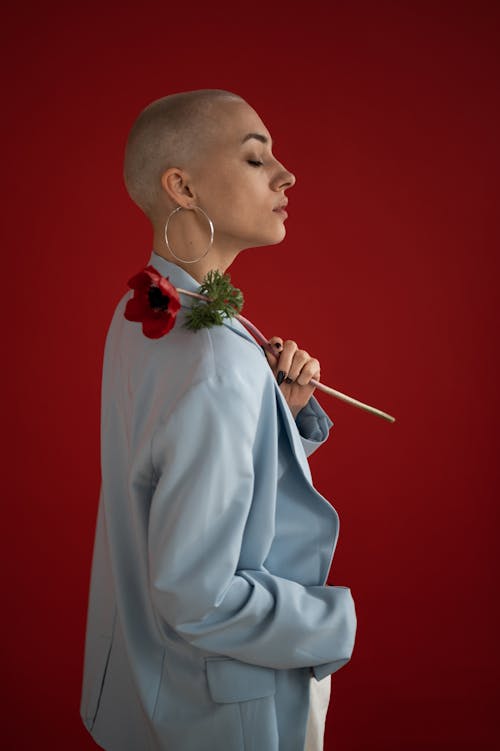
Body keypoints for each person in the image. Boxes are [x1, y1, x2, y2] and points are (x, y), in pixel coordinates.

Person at [79, 88, 357, 751]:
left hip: (145, 688)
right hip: (220, 713)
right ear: (182, 186)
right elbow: (197, 595)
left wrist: (275, 418)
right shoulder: (212, 355)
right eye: (257, 159)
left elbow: (167, 481)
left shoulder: (143, 311)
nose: (286, 175)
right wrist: (330, 621)